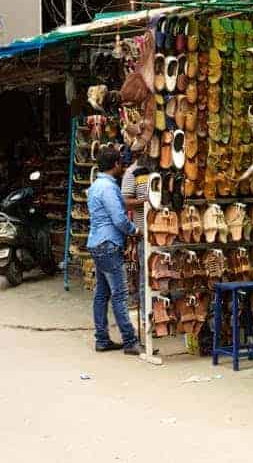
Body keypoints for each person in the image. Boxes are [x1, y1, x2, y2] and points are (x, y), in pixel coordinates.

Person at [87, 146, 140, 355]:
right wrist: (134, 230)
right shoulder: (108, 188)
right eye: (120, 163)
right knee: (119, 294)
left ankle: (102, 339)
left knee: (102, 294)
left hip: (97, 243)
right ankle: (129, 340)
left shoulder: (95, 186)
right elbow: (118, 219)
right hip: (108, 245)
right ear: (115, 165)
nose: (122, 166)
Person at [121, 153, 150, 310]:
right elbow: (124, 201)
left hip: (169, 229)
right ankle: (146, 315)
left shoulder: (164, 167)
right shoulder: (132, 172)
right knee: (146, 275)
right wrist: (145, 201)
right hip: (144, 232)